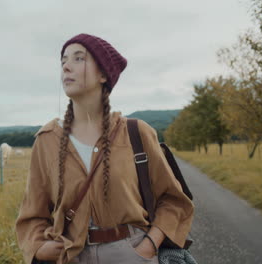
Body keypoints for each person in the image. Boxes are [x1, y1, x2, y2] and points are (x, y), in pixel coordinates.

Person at [15, 33, 194, 264]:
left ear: (103, 74)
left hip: (132, 254)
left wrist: (149, 246)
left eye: (79, 59)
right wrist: (39, 247)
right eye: (63, 61)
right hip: (69, 256)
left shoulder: (137, 133)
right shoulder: (47, 140)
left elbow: (174, 200)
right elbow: (32, 215)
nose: (66, 67)